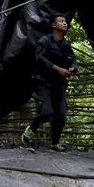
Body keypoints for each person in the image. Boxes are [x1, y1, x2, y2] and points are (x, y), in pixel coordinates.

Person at [21, 15, 77, 151]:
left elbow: (73, 60)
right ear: (53, 25)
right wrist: (58, 69)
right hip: (44, 82)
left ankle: (55, 144)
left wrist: (73, 69)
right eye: (61, 21)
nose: (65, 23)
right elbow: (39, 58)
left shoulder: (66, 44)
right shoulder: (45, 40)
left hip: (59, 84)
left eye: (65, 21)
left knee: (61, 115)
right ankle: (32, 128)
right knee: (46, 112)